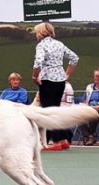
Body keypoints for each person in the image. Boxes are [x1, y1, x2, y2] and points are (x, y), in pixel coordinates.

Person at [32, 22, 79, 151]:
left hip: (47, 80)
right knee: (56, 110)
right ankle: (64, 140)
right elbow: (74, 58)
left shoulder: (41, 45)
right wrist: (67, 74)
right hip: (60, 81)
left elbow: (38, 63)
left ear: (41, 33)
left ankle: (57, 141)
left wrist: (35, 77)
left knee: (48, 112)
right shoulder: (59, 44)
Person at [78, 68, 99, 146]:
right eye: (95, 76)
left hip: (97, 110)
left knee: (94, 114)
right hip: (89, 108)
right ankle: (90, 136)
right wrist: (83, 105)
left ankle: (87, 137)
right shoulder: (89, 87)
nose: (97, 78)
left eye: (98, 76)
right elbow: (84, 100)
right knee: (78, 117)